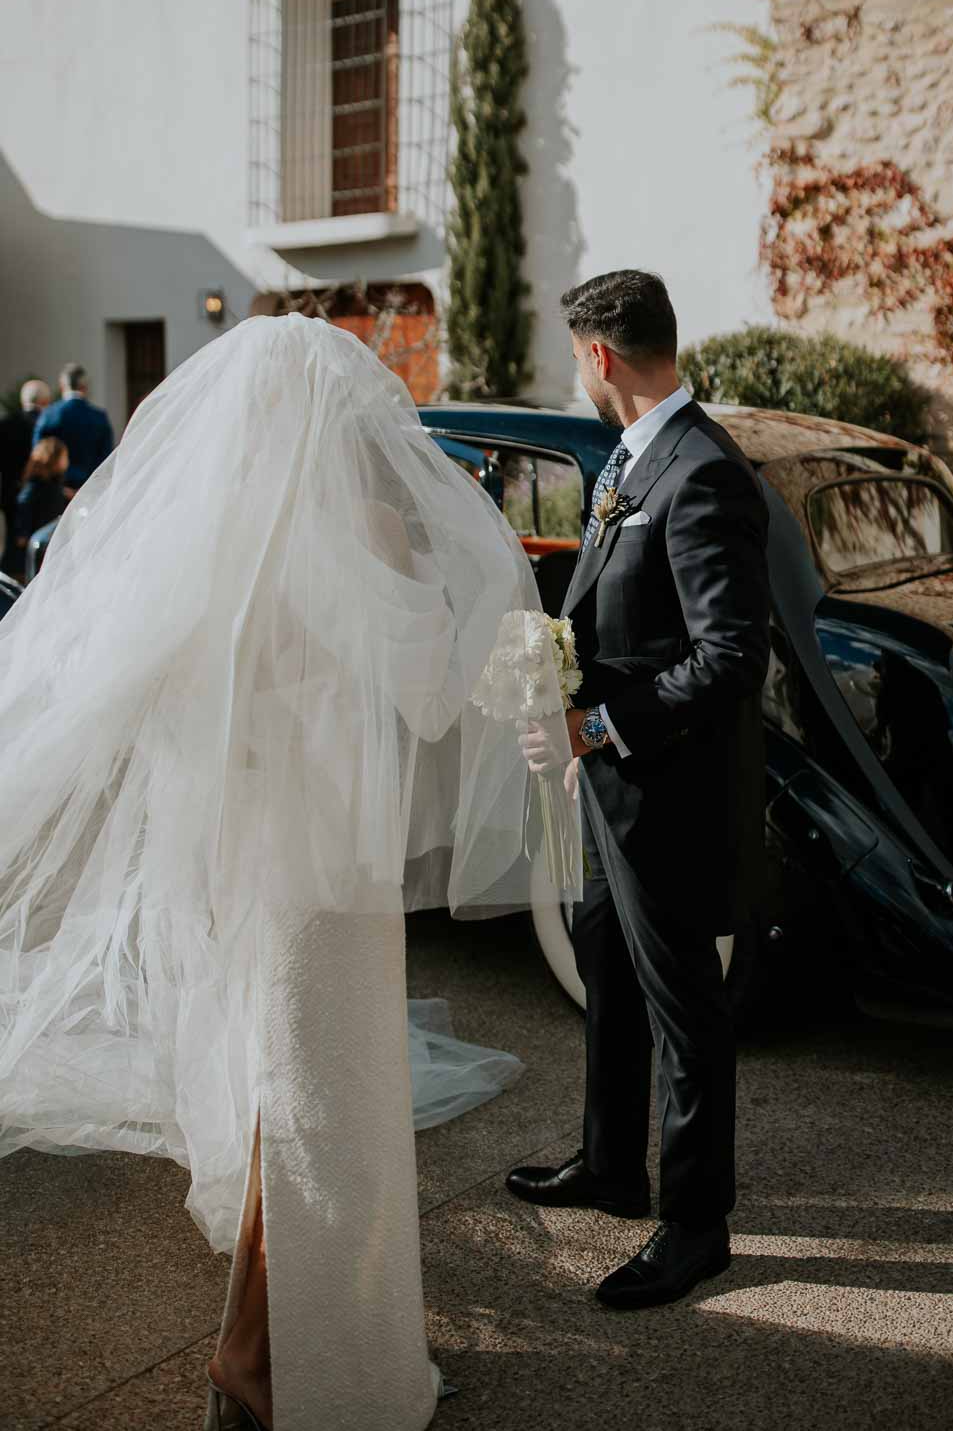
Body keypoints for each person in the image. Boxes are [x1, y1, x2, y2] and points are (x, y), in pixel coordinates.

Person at [0, 315, 577, 1431]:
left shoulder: (224, 559)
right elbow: (424, 694)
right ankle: (307, 1366)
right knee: (330, 1119)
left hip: (269, 865)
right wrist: (459, 599)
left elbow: (175, 718)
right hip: (327, 883)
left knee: (299, 1112)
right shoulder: (354, 546)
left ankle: (257, 1350)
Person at [510, 269, 770, 1310]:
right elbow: (622, 616)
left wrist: (600, 724)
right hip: (610, 785)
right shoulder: (632, 457)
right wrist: (555, 694)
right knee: (604, 967)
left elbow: (730, 655)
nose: (577, 371)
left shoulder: (701, 470)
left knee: (684, 1010)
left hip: (667, 792)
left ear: (601, 356)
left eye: (576, 355)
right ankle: (612, 1163)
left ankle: (697, 1222)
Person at [34, 362, 114, 493]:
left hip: (57, 490)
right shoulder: (99, 417)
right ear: (84, 387)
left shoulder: (49, 415)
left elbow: (38, 456)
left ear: (62, 386)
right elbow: (106, 458)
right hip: (88, 489)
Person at [0, 379, 50, 576]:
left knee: (15, 545)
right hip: (44, 495)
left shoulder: (5, 425)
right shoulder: (49, 422)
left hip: (11, 493)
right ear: (45, 400)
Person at [11, 436, 70, 573]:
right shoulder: (37, 486)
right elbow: (24, 504)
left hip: (45, 547)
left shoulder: (53, 485)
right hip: (33, 550)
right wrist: (23, 533)